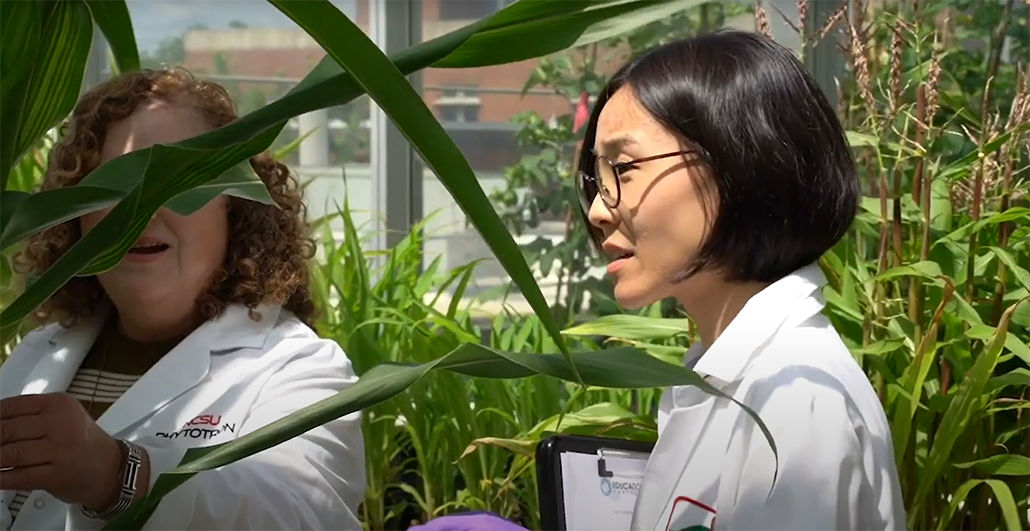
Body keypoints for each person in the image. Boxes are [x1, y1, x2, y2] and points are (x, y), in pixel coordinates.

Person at [421, 30, 906, 531]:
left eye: (623, 168)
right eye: (596, 178)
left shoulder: (796, 406)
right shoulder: (731, 376)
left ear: (741, 158)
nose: (597, 210)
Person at [0, 68, 366, 531]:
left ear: (236, 206)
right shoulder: (37, 354)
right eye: (113, 184)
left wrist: (116, 476)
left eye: (177, 182)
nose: (141, 210)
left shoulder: (299, 369)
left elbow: (300, 513)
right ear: (73, 216)